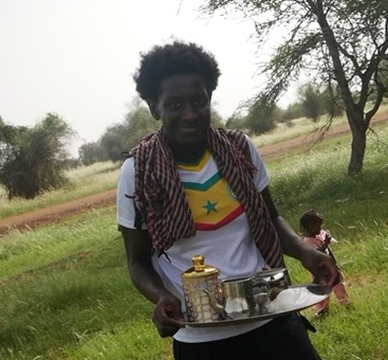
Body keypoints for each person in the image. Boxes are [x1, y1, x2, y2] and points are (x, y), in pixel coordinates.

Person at [116, 41, 340, 360]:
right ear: (154, 106)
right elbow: (137, 262)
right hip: (202, 342)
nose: (191, 114)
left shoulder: (240, 150)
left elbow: (271, 219)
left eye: (199, 101)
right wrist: (161, 296)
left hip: (274, 320)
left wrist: (307, 253)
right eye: (176, 105)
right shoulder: (137, 173)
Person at [300, 209, 350, 316]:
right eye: (318, 226)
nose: (321, 228)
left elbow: (330, 248)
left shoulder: (318, 235)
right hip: (320, 272)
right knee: (322, 291)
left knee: (339, 285)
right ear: (310, 227)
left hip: (331, 268)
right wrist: (325, 244)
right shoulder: (307, 241)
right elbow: (315, 254)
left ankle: (345, 303)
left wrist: (328, 240)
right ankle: (322, 311)